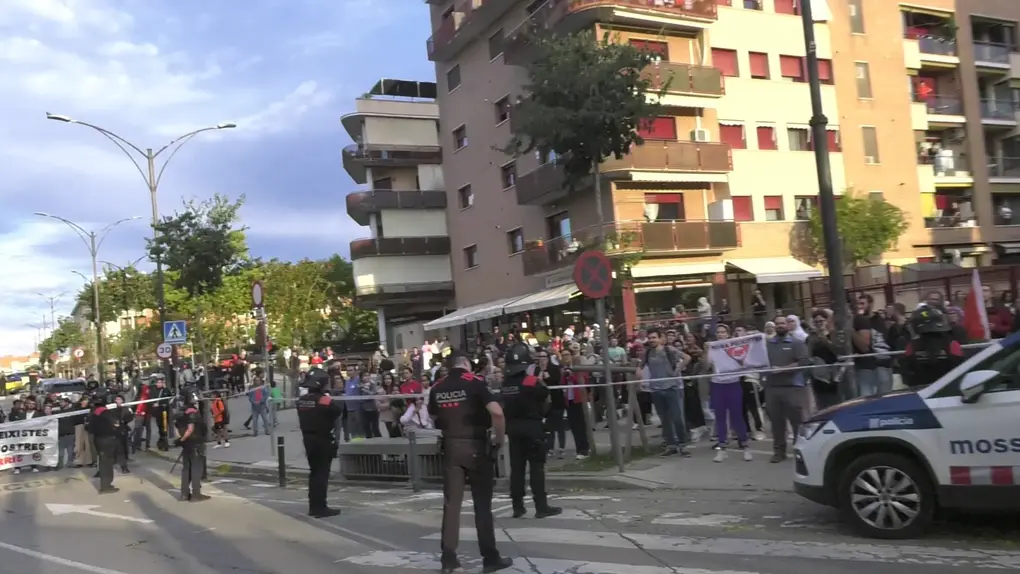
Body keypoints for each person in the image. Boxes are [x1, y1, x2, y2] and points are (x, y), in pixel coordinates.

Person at [428, 353, 513, 574]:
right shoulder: (475, 383)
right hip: (476, 446)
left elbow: (433, 417)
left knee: (451, 505)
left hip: (450, 447)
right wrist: (499, 438)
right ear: (466, 364)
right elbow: (497, 412)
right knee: (482, 506)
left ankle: (449, 560)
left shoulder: (438, 387)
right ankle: (490, 557)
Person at [500, 341, 562, 519]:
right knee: (536, 468)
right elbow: (547, 400)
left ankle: (517, 506)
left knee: (517, 468)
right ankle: (541, 507)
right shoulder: (532, 381)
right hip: (532, 426)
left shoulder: (505, 384)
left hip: (513, 428)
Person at [295, 369, 344, 518]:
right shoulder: (324, 400)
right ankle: (320, 507)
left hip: (307, 439)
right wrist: (327, 397)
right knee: (322, 474)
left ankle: (313, 506)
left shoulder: (302, 401)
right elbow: (337, 410)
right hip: (322, 439)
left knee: (314, 473)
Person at [901, 305, 965, 388]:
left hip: (920, 391)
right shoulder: (952, 344)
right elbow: (961, 368)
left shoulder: (912, 346)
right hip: (948, 389)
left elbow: (907, 373)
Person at [173, 386, 209, 502]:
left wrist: (180, 439)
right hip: (195, 443)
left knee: (186, 468)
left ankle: (184, 494)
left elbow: (176, 427)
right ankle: (195, 494)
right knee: (196, 468)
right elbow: (190, 429)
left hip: (186, 444)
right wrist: (183, 438)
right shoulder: (192, 412)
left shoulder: (181, 411)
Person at [87, 390, 120, 494]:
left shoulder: (93, 411)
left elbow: (89, 427)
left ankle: (105, 484)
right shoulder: (105, 412)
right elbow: (116, 423)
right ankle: (106, 486)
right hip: (107, 439)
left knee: (102, 461)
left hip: (98, 439)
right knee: (107, 463)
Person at [149, 377, 174, 451]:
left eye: (161, 382)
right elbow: (151, 400)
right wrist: (154, 404)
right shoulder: (153, 391)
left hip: (166, 411)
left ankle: (163, 441)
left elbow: (170, 398)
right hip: (158, 412)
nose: (159, 384)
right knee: (161, 427)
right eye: (158, 382)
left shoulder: (166, 390)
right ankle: (162, 440)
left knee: (165, 426)